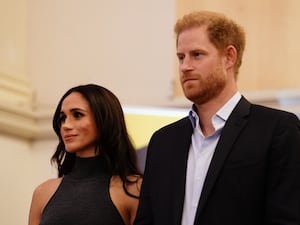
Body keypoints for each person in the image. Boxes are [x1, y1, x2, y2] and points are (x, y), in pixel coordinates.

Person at [134, 10, 300, 225]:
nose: (185, 66)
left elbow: (287, 218)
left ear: (229, 57)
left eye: (197, 54)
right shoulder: (162, 141)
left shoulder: (277, 130)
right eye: (181, 57)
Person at [28, 84, 142, 225]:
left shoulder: (133, 189)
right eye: (62, 118)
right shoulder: (43, 193)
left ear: (104, 119)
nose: (65, 125)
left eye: (77, 115)